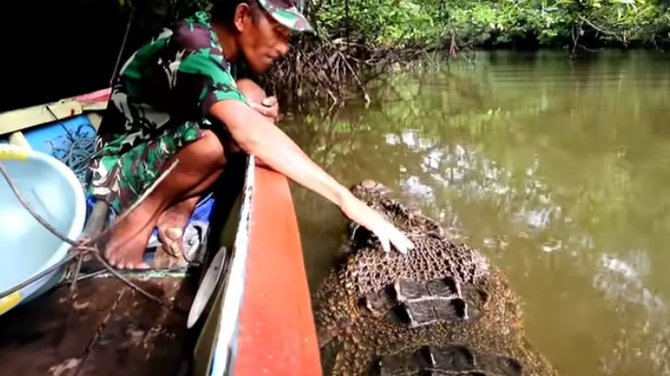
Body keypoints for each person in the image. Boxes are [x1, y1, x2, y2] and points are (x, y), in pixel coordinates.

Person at [86, 0, 414, 270]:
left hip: (159, 154)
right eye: (279, 31)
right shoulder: (193, 44)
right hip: (116, 174)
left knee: (249, 95)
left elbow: (241, 108)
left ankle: (179, 205)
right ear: (242, 16)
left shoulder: (218, 41)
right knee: (216, 143)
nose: (285, 48)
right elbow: (248, 134)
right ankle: (134, 223)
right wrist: (348, 201)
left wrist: (258, 111)